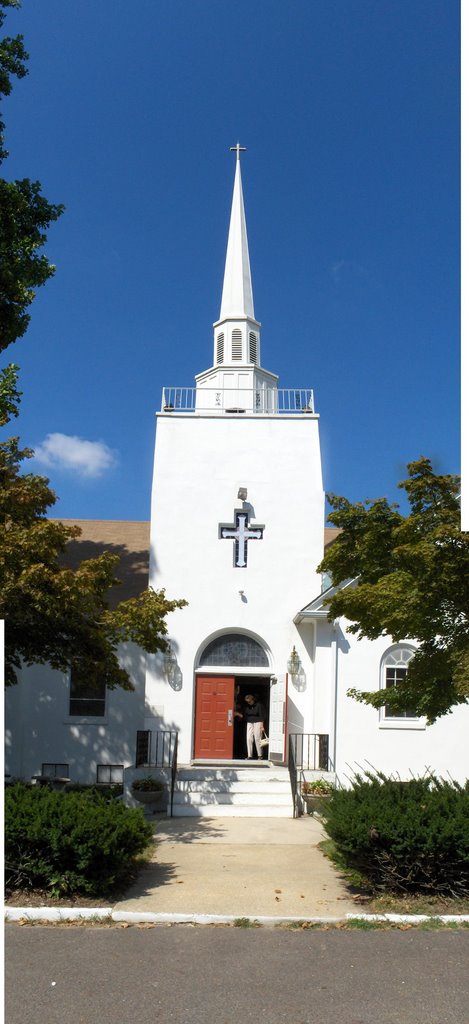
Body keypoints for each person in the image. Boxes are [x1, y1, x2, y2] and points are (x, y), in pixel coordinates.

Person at [242, 693, 266, 760]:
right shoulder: (247, 706)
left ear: (252, 700)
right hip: (249, 722)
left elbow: (262, 715)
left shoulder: (259, 705)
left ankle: (260, 755)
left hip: (258, 722)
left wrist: (262, 725)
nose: (248, 703)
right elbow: (245, 714)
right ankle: (249, 755)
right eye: (247, 702)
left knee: (257, 738)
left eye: (249, 701)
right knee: (249, 738)